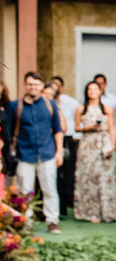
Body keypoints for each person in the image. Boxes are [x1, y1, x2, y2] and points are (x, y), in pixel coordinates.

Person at [10, 72, 63, 232]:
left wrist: (59, 152)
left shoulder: (50, 104)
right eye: (30, 84)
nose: (33, 87)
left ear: (41, 86)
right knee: (25, 191)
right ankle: (26, 222)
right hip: (25, 154)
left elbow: (58, 130)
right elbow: (10, 131)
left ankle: (52, 221)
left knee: (49, 189)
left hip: (47, 153)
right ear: (25, 85)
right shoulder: (15, 106)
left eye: (36, 84)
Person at [73, 80, 116, 223]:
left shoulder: (107, 108)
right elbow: (76, 128)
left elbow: (111, 127)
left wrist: (112, 144)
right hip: (88, 144)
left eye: (95, 89)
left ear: (100, 91)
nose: (92, 92)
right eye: (90, 89)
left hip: (103, 142)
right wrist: (90, 127)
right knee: (88, 177)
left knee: (104, 176)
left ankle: (107, 211)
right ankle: (89, 212)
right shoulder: (81, 108)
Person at [48, 76, 79, 212]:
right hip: (47, 141)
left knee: (67, 172)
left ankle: (66, 202)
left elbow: (65, 125)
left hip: (66, 139)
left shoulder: (69, 102)